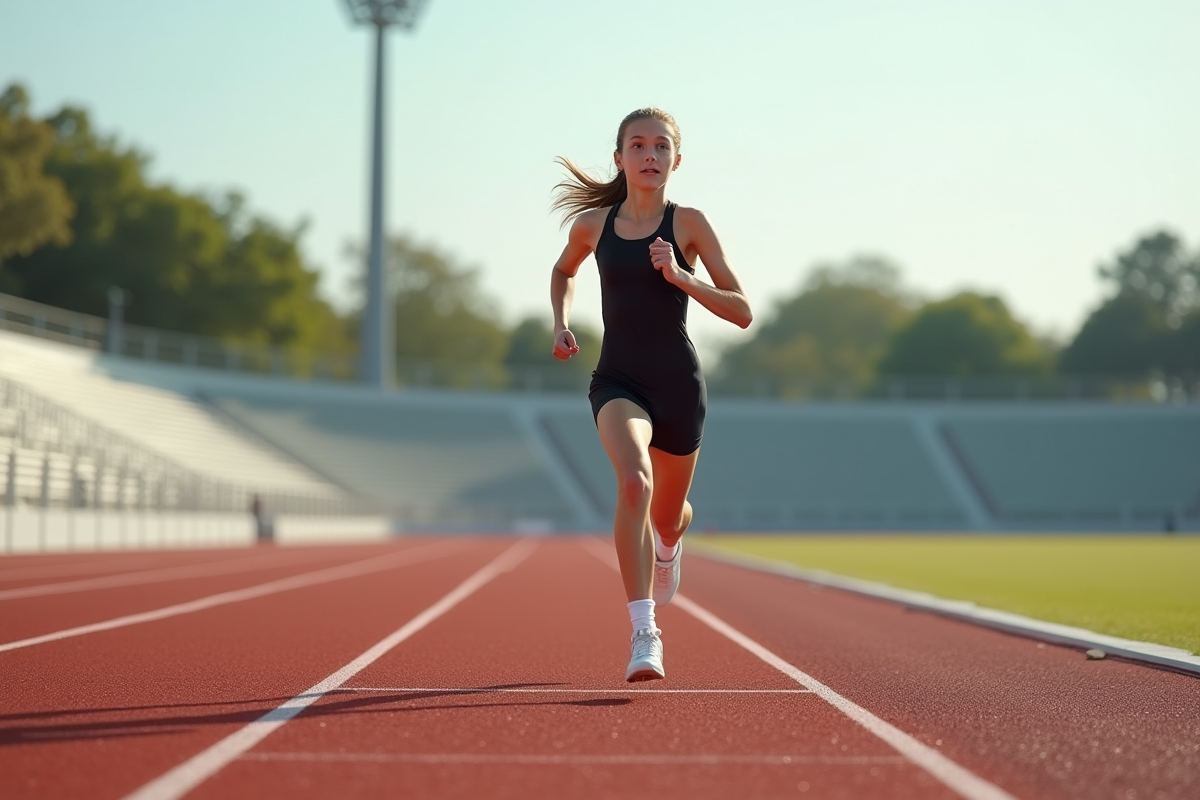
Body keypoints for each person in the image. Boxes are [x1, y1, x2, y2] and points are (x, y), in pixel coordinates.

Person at [549, 108, 753, 681]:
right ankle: (645, 633)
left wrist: (683, 277)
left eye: (660, 147)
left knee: (669, 514)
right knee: (635, 481)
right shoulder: (593, 225)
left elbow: (742, 311)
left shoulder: (688, 223)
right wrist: (561, 321)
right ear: (619, 158)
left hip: (678, 386)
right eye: (637, 145)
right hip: (617, 380)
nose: (649, 155)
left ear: (675, 160)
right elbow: (564, 272)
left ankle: (668, 545)